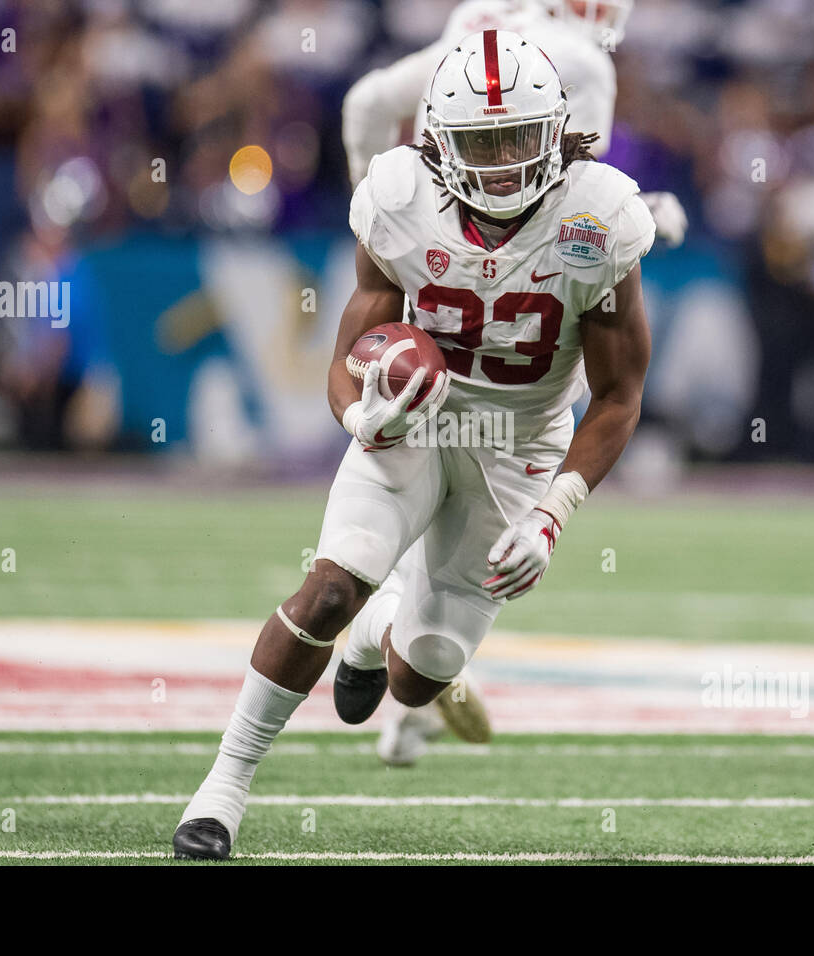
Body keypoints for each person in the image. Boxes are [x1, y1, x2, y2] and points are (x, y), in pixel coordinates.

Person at [174, 29, 654, 860]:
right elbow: (344, 358)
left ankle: (380, 629)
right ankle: (222, 788)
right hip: (418, 418)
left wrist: (552, 516)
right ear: (437, 144)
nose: (503, 162)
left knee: (419, 672)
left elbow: (617, 397)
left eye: (518, 139)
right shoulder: (399, 196)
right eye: (482, 143)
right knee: (328, 589)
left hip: (521, 443)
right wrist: (363, 419)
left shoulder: (598, 215)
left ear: (557, 134)